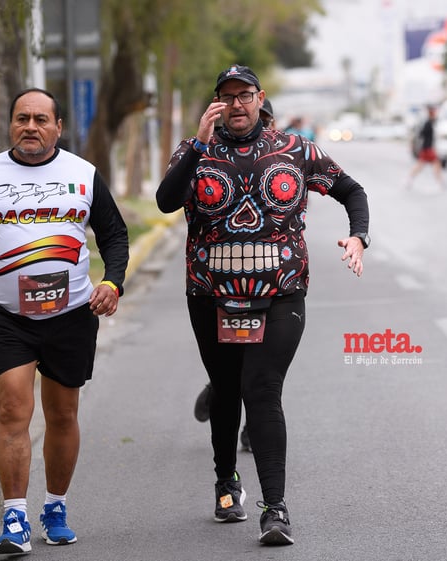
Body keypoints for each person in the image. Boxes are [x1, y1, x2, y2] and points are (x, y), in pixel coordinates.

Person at [157, 65, 370, 546]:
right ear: (216, 102)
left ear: (259, 99)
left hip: (282, 291)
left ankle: (275, 510)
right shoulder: (196, 151)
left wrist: (358, 236)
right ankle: (226, 482)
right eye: (227, 96)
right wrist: (194, 145)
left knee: (261, 386)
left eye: (245, 95)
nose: (236, 104)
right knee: (228, 388)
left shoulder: (296, 150)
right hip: (210, 292)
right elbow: (166, 201)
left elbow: (351, 191)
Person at [0, 87, 129, 555]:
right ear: (11, 124)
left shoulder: (82, 174)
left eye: (41, 119)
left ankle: (55, 506)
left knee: (62, 413)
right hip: (9, 318)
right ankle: (14, 518)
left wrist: (113, 282)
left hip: (71, 316)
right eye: (22, 118)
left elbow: (114, 235)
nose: (31, 126)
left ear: (58, 127)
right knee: (11, 408)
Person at [193, 96, 279, 452]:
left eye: (271, 121)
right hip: (222, 281)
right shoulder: (214, 158)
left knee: (262, 372)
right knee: (236, 364)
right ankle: (219, 389)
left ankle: (249, 427)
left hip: (268, 282)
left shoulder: (281, 158)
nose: (268, 127)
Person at [405, 105, 444, 189]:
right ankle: (440, 182)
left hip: (427, 149)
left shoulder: (431, 123)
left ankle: (410, 179)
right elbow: (421, 134)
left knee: (422, 165)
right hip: (427, 149)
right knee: (434, 164)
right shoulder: (428, 124)